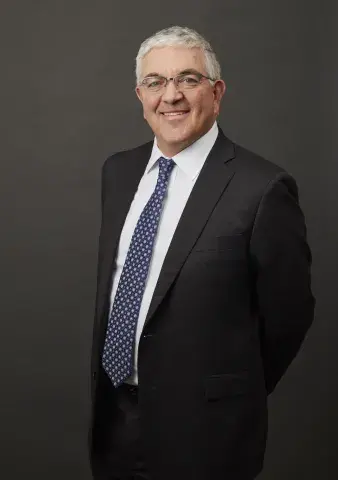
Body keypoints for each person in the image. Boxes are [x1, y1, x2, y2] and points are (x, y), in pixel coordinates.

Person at [89, 26, 315, 480]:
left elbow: (288, 317)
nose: (170, 95)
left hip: (207, 434)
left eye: (188, 79)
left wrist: (229, 391)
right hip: (114, 421)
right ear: (140, 94)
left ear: (216, 92)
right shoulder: (119, 171)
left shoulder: (263, 188)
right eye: (155, 82)